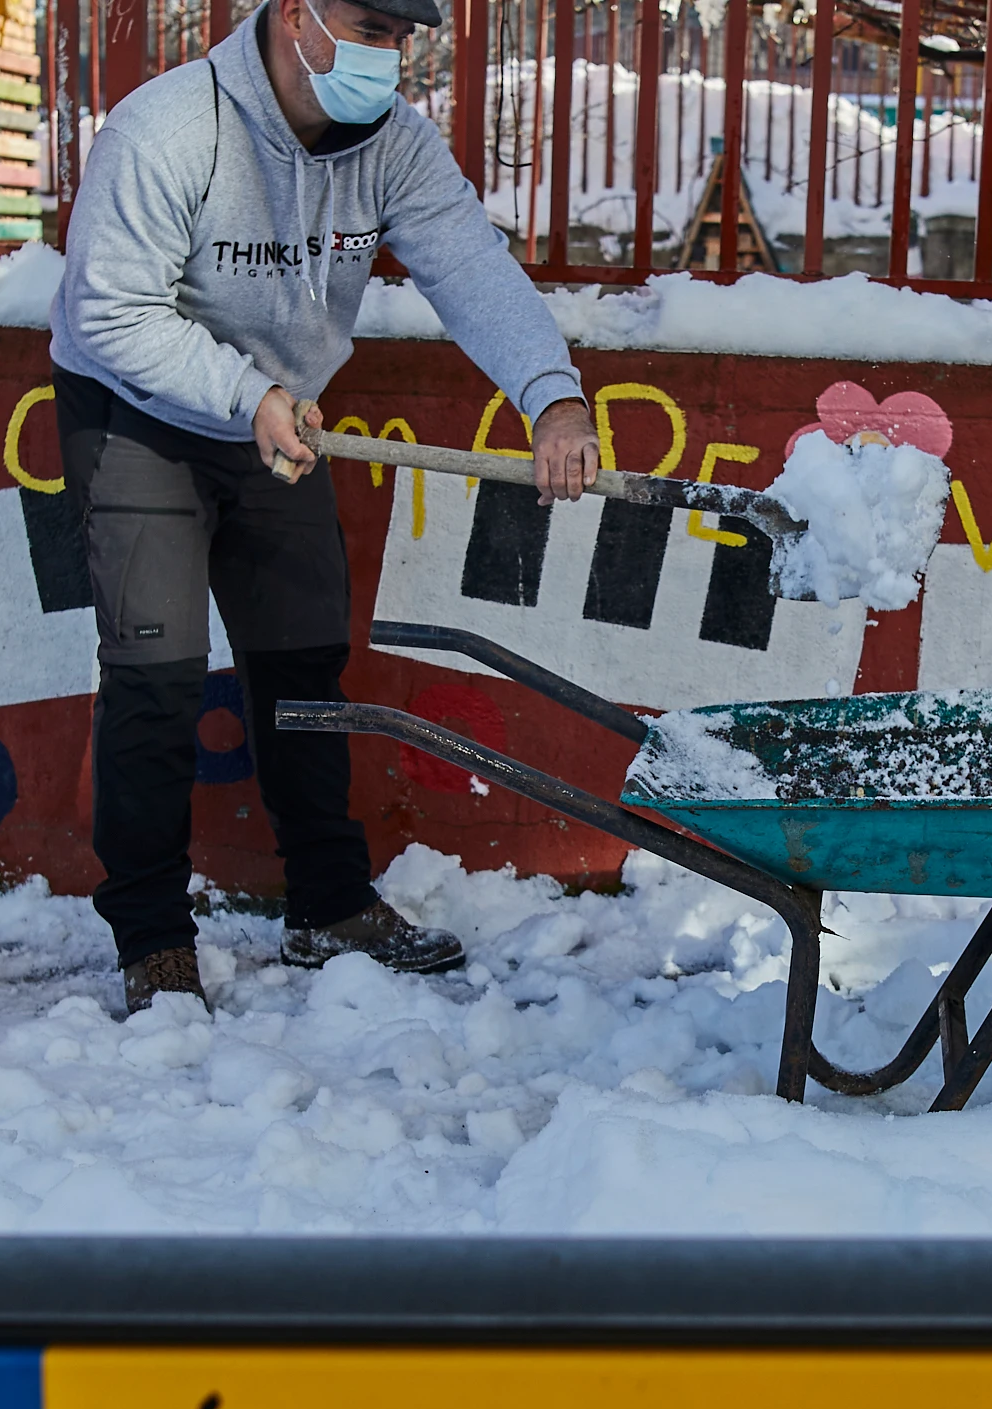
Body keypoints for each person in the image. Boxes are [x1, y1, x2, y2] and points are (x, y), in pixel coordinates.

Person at [48, 0, 600, 1013]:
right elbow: (110, 311)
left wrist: (550, 394)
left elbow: (468, 264)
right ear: (296, 16)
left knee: (302, 662)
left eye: (403, 35)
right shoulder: (166, 130)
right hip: (138, 415)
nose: (387, 54)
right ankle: (153, 940)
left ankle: (329, 903)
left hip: (277, 417)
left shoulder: (393, 143)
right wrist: (244, 396)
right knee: (157, 676)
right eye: (368, 25)